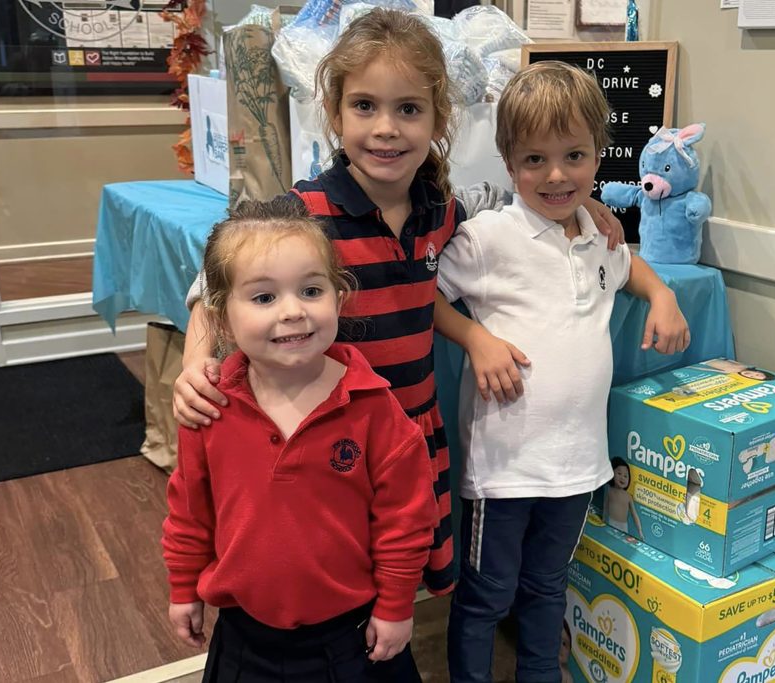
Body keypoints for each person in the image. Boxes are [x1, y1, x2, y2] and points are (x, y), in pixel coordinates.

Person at [171, 8, 625, 597]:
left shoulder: (444, 207)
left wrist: (586, 210)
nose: (386, 127)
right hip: (331, 437)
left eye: (408, 108)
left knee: (397, 578)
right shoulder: (302, 214)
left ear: (440, 119)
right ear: (334, 113)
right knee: (334, 570)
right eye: (365, 106)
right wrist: (193, 362)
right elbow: (211, 287)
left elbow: (525, 200)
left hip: (411, 432)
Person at [436, 61, 690, 683]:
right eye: (534, 160)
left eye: (574, 155)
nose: (556, 175)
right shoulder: (485, 238)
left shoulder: (602, 235)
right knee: (487, 596)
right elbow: (424, 297)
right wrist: (476, 337)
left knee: (549, 587)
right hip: (504, 468)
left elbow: (631, 269)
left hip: (577, 465)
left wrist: (663, 298)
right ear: (508, 160)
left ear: (600, 153)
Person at [161, 198, 437, 681]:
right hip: (245, 638)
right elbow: (189, 509)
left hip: (353, 638)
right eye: (264, 298)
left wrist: (396, 606)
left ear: (338, 296)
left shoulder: (374, 408)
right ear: (223, 319)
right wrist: (184, 587)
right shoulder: (209, 411)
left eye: (311, 290)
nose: (293, 312)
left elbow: (406, 519)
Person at [603, 457, 643, 539]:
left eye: (625, 476)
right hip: (611, 522)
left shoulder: (628, 496)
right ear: (612, 473)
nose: (622, 478)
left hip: (623, 526)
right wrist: (603, 519)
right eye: (619, 473)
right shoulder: (610, 491)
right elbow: (605, 506)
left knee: (621, 542)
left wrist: (640, 531)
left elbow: (634, 514)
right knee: (610, 540)